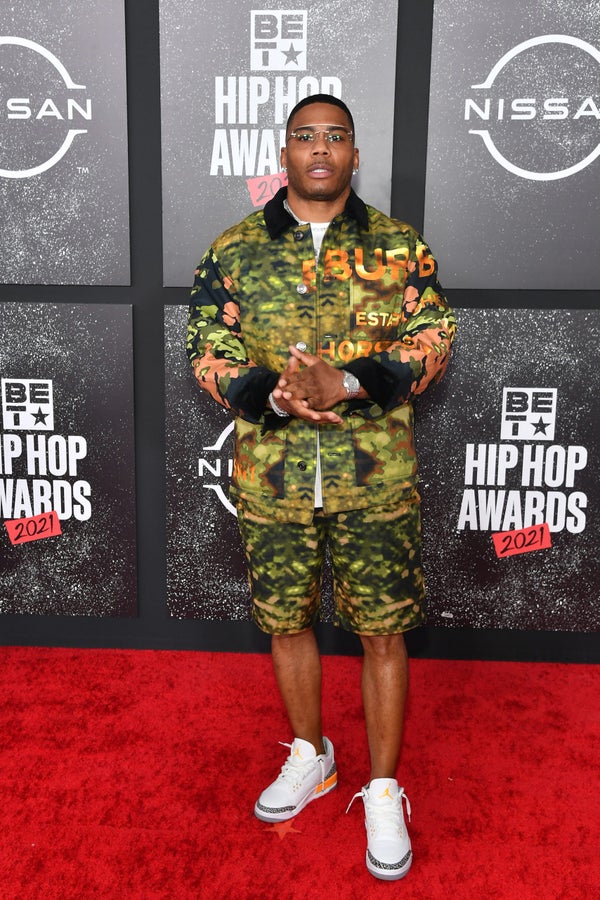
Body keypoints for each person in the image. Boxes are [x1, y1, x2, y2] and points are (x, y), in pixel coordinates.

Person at [187, 94, 456, 881]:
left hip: (373, 477)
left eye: (335, 136)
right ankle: (313, 755)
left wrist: (352, 381)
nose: (320, 149)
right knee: (286, 622)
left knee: (383, 632)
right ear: (284, 153)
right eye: (305, 136)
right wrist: (271, 395)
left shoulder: (398, 246)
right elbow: (206, 343)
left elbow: (434, 334)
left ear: (354, 155)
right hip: (273, 476)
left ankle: (383, 788)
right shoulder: (235, 249)